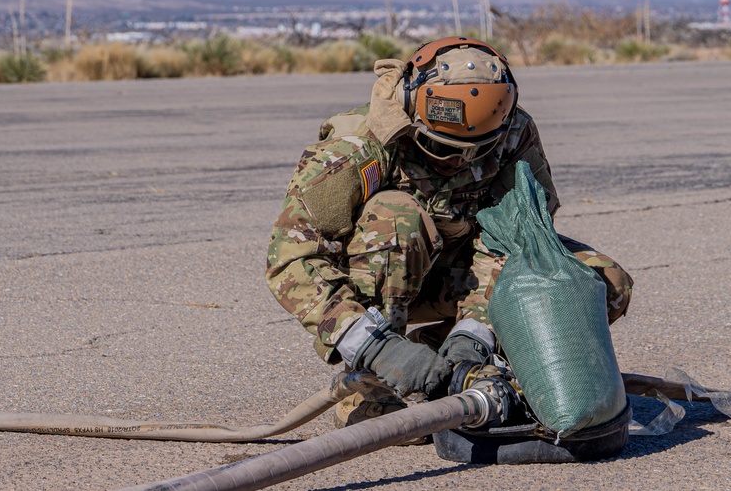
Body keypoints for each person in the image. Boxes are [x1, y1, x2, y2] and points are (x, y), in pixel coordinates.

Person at [266, 36, 632, 427]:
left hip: (460, 272)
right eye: (443, 149)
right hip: (381, 275)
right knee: (396, 217)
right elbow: (291, 261)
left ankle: (448, 357)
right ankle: (372, 388)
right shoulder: (356, 146)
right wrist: (375, 347)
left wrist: (474, 332)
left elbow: (519, 237)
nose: (461, 159)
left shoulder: (513, 133)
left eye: (475, 150)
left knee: (601, 283)